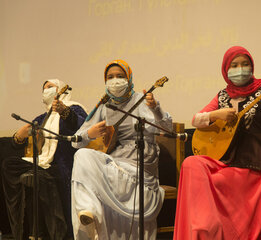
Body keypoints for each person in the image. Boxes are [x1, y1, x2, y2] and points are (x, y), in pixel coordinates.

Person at [173, 46, 261, 240]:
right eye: (235, 65)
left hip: (254, 162)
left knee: (217, 181)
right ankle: (204, 229)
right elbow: (196, 120)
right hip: (227, 162)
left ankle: (217, 233)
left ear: (252, 66)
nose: (240, 69)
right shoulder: (223, 95)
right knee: (191, 163)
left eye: (245, 64)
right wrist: (216, 114)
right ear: (226, 70)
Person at [71, 59, 172, 240]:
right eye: (110, 77)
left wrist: (155, 109)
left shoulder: (141, 101)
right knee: (81, 154)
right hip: (116, 163)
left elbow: (167, 129)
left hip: (140, 165)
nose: (115, 81)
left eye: (120, 76)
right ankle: (87, 209)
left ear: (129, 78)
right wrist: (90, 133)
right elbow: (75, 141)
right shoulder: (104, 105)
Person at [1, 79, 88, 240]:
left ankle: (59, 234)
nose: (46, 91)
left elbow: (83, 126)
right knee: (9, 164)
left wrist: (64, 112)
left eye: (50, 87)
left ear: (62, 89)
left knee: (40, 177)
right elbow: (24, 139)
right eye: (44, 88)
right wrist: (18, 137)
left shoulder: (75, 107)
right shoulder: (43, 117)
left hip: (65, 163)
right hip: (43, 164)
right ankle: (20, 230)